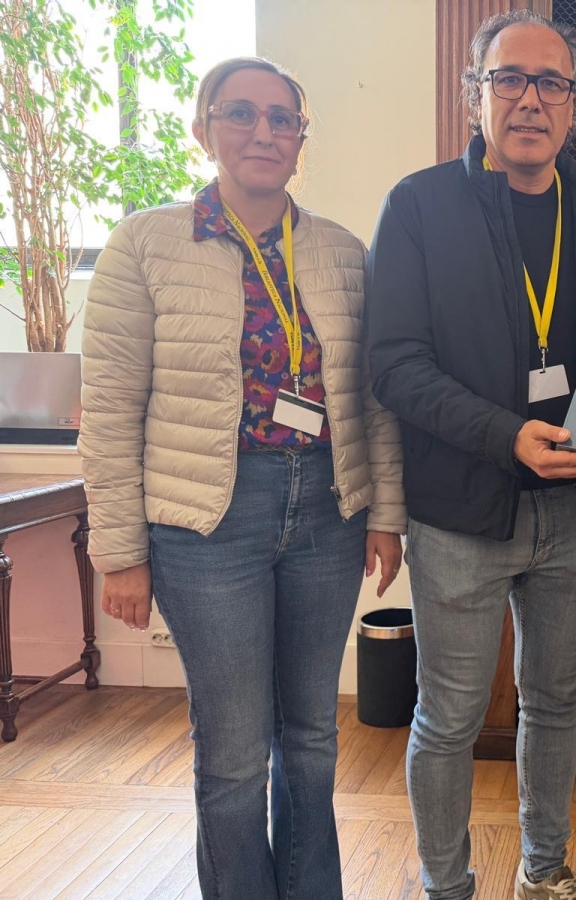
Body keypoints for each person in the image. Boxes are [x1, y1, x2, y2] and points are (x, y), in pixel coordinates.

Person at [78, 57, 406, 900]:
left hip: (327, 511)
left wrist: (384, 514)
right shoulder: (144, 244)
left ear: (302, 140)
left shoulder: (338, 251)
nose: (264, 132)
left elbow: (373, 398)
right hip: (205, 525)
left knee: (311, 739)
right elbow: (110, 406)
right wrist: (119, 550)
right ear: (204, 128)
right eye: (241, 113)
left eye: (283, 119)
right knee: (231, 753)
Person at [366, 10, 576, 900]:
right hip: (460, 512)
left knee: (555, 706)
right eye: (508, 80)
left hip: (571, 511)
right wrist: (502, 434)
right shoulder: (418, 205)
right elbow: (395, 364)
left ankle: (544, 873)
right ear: (473, 94)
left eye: (550, 83)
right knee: (447, 718)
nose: (530, 99)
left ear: (573, 105)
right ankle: (446, 885)